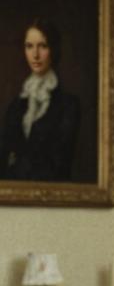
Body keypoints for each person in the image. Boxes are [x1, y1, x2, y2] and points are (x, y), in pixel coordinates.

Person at [0, 19, 80, 182]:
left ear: (54, 49)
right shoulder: (15, 106)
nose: (35, 54)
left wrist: (18, 161)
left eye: (43, 46)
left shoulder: (68, 105)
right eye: (29, 46)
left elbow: (60, 164)